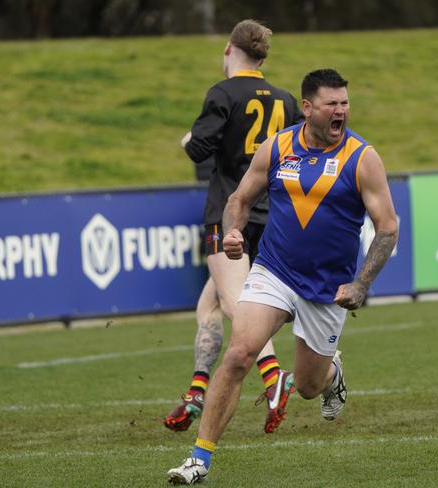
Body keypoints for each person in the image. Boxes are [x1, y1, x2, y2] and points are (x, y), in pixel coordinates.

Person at [166, 68, 398, 484]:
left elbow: (388, 226)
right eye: (332, 103)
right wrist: (234, 231)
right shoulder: (277, 147)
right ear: (308, 108)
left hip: (327, 287)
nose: (341, 110)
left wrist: (362, 283)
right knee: (239, 354)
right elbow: (239, 198)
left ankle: (332, 376)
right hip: (274, 270)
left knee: (308, 387)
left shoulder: (363, 158)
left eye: (345, 102)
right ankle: (199, 459)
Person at [163, 19, 304, 435]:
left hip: (230, 218)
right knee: (209, 307)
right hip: (271, 216)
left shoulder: (222, 93)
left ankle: (275, 375)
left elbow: (199, 150)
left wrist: (191, 139)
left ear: (229, 49)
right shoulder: (284, 99)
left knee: (237, 308)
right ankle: (196, 389)